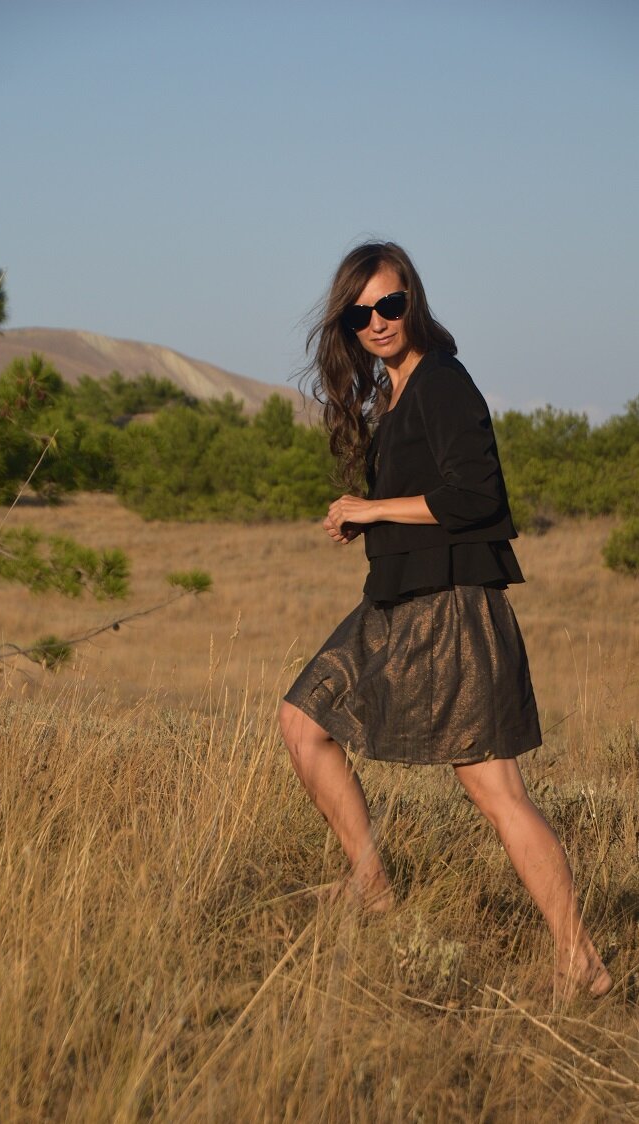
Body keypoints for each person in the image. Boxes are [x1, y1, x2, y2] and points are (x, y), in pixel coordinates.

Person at [279, 241, 612, 1000]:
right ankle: (371, 887)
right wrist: (371, 521)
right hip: (396, 601)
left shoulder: (443, 381)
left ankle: (580, 961)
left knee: (496, 792)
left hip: (454, 606)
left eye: (390, 304)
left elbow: (476, 497)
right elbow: (428, 499)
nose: (377, 322)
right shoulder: (393, 394)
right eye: (360, 314)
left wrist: (371, 509)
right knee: (302, 723)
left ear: (414, 301)